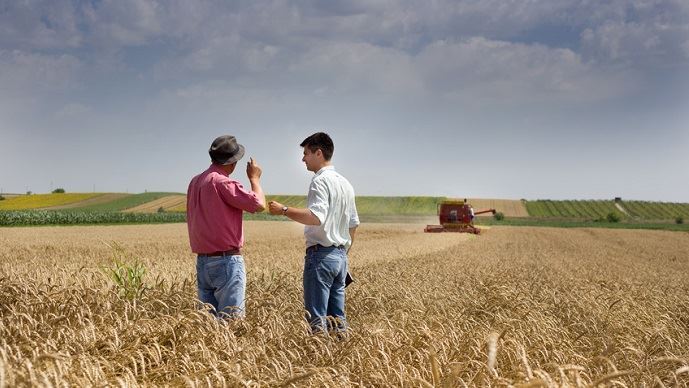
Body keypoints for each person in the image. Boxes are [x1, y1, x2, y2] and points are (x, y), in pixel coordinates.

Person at [269, 132, 359, 334]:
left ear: (319, 153)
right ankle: (339, 359)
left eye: (306, 153)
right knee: (337, 321)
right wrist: (343, 254)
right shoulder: (346, 184)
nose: (303, 158)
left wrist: (284, 210)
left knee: (316, 320)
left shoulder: (319, 181)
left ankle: (318, 362)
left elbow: (316, 216)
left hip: (321, 256)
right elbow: (353, 225)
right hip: (340, 258)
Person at [186, 135, 265, 318]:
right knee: (232, 325)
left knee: (208, 326)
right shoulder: (223, 182)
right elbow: (258, 204)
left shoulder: (195, 182)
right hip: (226, 261)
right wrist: (255, 179)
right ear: (233, 162)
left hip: (202, 262)